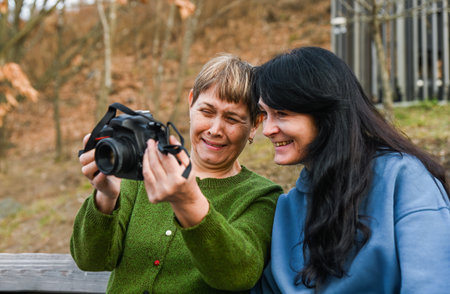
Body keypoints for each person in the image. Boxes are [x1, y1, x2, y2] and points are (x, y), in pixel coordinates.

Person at [71, 54, 283, 294]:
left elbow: (237, 275)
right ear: (191, 102)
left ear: (255, 124)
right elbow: (90, 260)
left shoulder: (262, 197)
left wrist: (188, 201)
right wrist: (106, 196)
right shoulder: (142, 173)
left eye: (232, 118)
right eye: (206, 111)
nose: (215, 129)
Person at [251, 47, 450, 293]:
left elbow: (431, 284)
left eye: (281, 114)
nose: (268, 129)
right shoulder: (287, 209)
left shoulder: (404, 180)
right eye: (264, 114)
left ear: (326, 115)